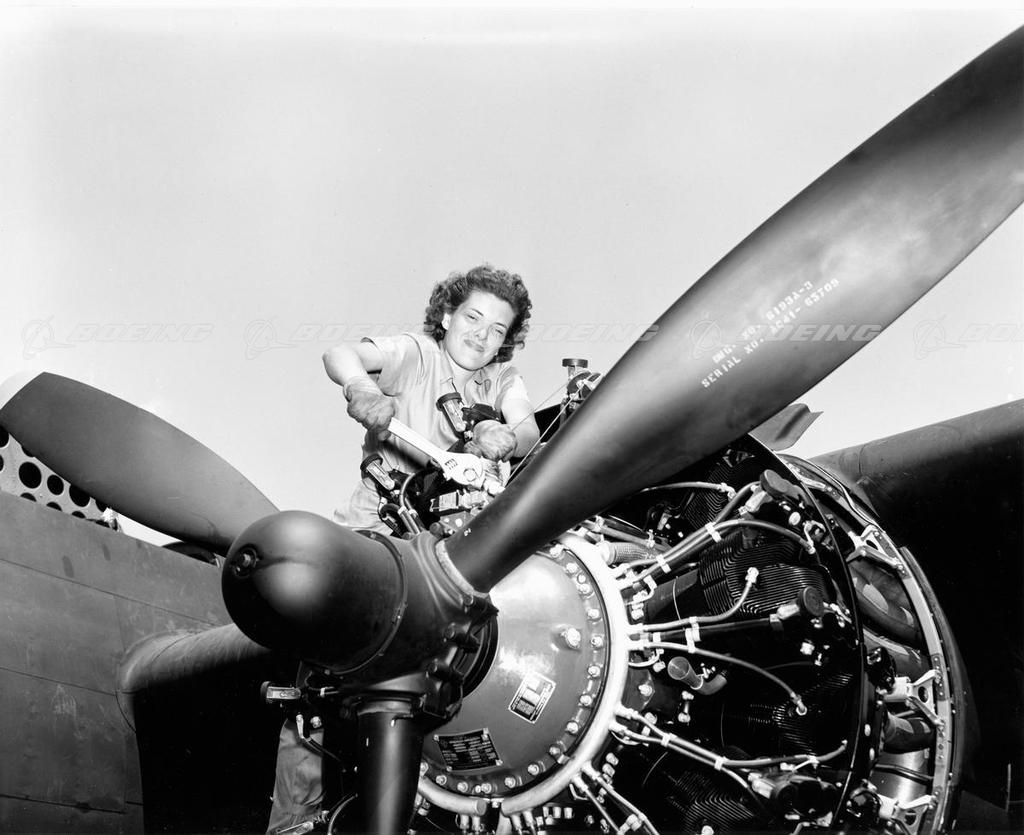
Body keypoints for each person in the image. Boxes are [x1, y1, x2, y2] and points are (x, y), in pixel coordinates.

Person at [266, 264, 539, 833]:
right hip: (377, 539)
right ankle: (293, 823)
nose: (482, 335)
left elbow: (530, 428)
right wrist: (362, 388)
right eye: (473, 318)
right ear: (447, 316)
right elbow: (340, 354)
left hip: (443, 557)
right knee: (319, 693)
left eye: (497, 329)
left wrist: (506, 437)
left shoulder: (503, 380)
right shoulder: (417, 354)